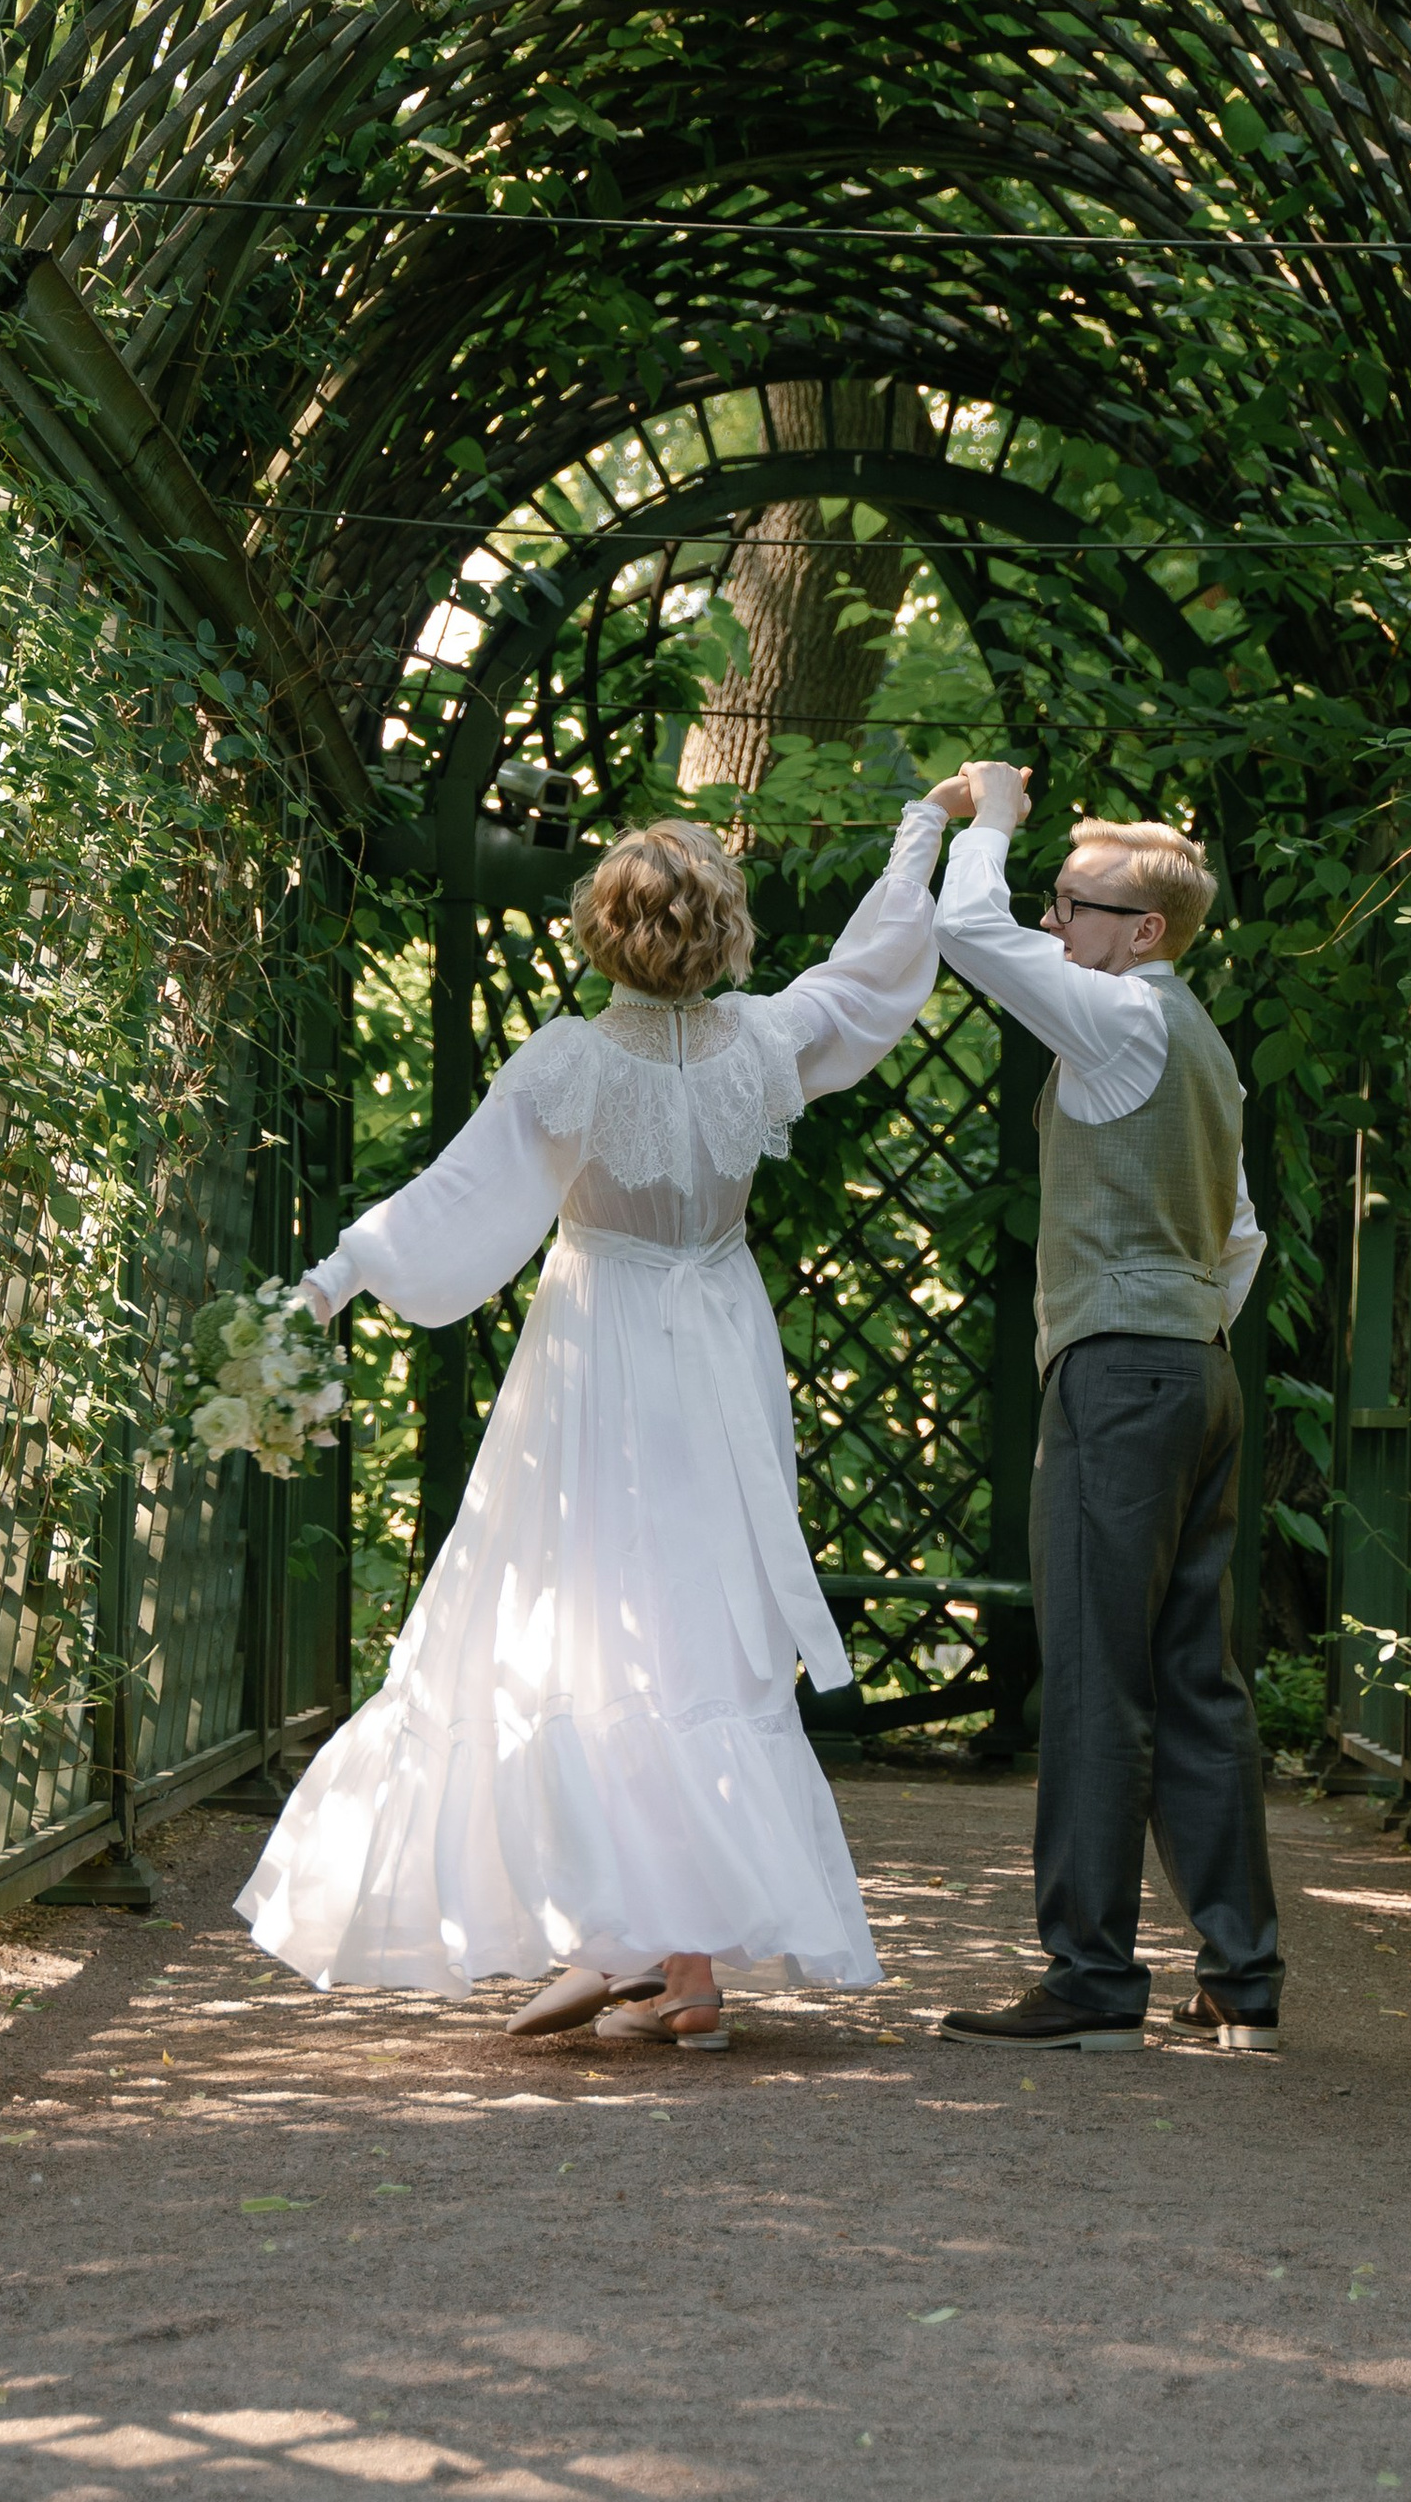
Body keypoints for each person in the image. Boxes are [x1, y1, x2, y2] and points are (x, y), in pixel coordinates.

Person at [236, 805, 946, 2049]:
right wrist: (924, 830)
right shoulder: (765, 1041)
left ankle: (629, 1945)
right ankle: (674, 1965)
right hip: (721, 1344)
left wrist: (326, 1286)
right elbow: (872, 972)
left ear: (600, 930)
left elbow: (454, 1197)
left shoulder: (568, 1062)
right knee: (698, 1624)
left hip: (600, 1351)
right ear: (725, 931)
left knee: (588, 1613)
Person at [925, 761, 1281, 2054]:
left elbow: (968, 931)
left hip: (1122, 1375)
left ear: (1144, 931)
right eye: (1056, 899)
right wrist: (1177, 1326)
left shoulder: (1119, 1018)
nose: (1052, 921)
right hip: (1198, 1369)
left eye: (1072, 905)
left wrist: (992, 818)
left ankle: (1090, 1977)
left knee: (1093, 1676)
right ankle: (1241, 1979)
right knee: (1195, 1680)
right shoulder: (1203, 1048)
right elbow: (1239, 1236)